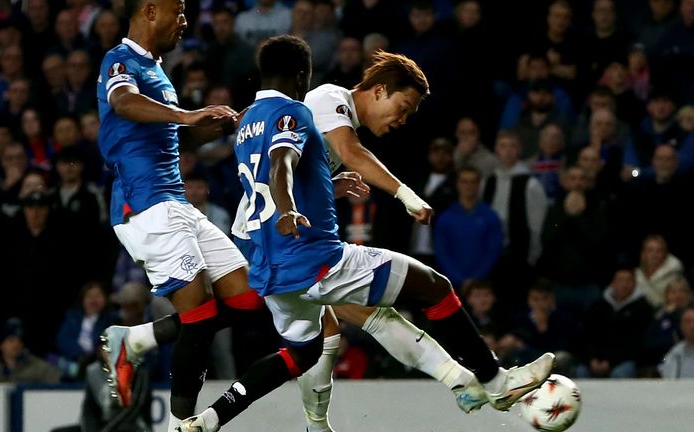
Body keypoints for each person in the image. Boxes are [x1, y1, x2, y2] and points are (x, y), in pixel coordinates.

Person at [175, 35, 554, 432]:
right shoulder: (326, 100)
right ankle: (487, 382)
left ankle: (214, 419)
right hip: (295, 247)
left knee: (313, 346)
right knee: (420, 292)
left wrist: (327, 186)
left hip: (266, 249)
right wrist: (406, 196)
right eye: (402, 107)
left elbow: (288, 170)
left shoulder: (265, 116)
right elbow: (328, 156)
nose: (402, 120)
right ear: (379, 90)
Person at [95, 1, 281, 429]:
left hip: (176, 203)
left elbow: (163, 134)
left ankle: (136, 339)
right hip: (144, 205)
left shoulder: (157, 69)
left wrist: (210, 126)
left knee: (248, 297)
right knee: (199, 317)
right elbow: (123, 102)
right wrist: (188, 115)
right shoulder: (119, 60)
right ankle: (181, 424)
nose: (184, 21)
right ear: (150, 10)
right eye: (177, 11)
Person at [659, 306, 694, 379]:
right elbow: (664, 370)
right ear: (681, 326)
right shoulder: (674, 352)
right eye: (688, 322)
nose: (692, 326)